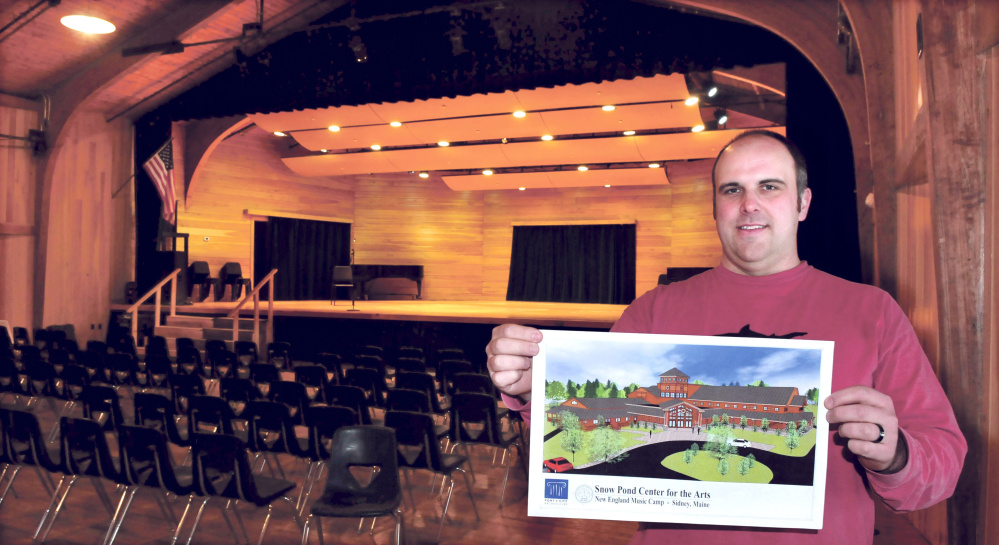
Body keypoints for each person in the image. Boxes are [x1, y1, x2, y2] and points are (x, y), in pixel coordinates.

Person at [486, 130, 966, 545]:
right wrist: (532, 390)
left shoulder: (873, 311)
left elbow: (940, 468)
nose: (749, 204)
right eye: (732, 189)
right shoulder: (655, 309)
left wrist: (896, 453)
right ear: (715, 207)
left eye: (770, 186)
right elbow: (574, 438)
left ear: (803, 203)